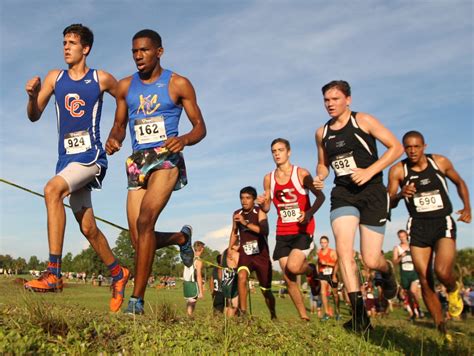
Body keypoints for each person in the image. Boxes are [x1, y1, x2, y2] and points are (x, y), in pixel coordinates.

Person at [23, 24, 129, 312]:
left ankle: (54, 273)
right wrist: (32, 97)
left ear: (86, 49)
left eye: (71, 42)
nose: (66, 47)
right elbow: (34, 115)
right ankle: (118, 273)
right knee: (88, 227)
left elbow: (126, 99)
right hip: (67, 160)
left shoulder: (101, 78)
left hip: (91, 156)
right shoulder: (55, 78)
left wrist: (116, 134)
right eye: (64, 42)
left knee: (51, 190)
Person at [105, 29, 206, 314]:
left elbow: (200, 126)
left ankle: (136, 301)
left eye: (144, 50)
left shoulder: (178, 83)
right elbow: (119, 125)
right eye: (135, 51)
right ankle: (180, 238)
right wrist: (114, 139)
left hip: (166, 157)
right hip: (138, 160)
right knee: (139, 238)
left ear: (159, 51)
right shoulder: (125, 87)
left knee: (146, 220)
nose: (138, 56)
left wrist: (184, 139)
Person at [313, 80, 402, 332]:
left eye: (335, 99)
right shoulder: (322, 133)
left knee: (372, 259)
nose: (330, 104)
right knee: (344, 251)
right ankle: (360, 318)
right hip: (343, 194)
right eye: (326, 100)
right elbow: (323, 163)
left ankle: (387, 272)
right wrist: (320, 175)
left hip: (372, 191)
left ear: (348, 99)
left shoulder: (363, 120)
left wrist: (370, 170)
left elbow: (396, 148)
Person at [388, 130, 471, 339]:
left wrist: (467, 207)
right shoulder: (398, 170)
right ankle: (442, 329)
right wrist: (400, 194)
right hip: (417, 226)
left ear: (424, 146)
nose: (413, 151)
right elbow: (389, 200)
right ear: (404, 148)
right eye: (408, 147)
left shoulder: (440, 162)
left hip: (442, 222)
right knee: (425, 279)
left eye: (417, 146)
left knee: (442, 271)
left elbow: (459, 182)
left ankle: (453, 289)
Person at [257, 138, 325, 321]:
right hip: (283, 231)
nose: (277, 154)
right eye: (274, 151)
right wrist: (262, 204)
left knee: (294, 267)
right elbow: (267, 208)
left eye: (280, 150)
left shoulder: (301, 173)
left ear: (289, 152)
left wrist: (309, 213)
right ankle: (304, 317)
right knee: (288, 276)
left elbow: (320, 196)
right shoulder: (268, 178)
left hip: (303, 229)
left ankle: (311, 270)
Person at [229, 186, 276, 319]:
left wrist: (246, 223)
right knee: (242, 276)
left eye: (248, 198)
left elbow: (264, 230)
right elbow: (234, 232)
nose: (244, 201)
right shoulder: (237, 213)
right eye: (242, 198)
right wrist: (229, 248)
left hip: (261, 255)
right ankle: (243, 313)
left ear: (254, 200)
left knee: (266, 291)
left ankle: (273, 314)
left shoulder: (260, 211)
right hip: (246, 255)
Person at [392, 229, 422, 320]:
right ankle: (413, 313)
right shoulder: (397, 248)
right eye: (400, 237)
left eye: (403, 236)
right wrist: (401, 256)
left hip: (414, 273)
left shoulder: (412, 246)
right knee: (409, 295)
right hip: (405, 274)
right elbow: (394, 262)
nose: (402, 238)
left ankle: (419, 309)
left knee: (413, 292)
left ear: (407, 236)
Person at [317, 236, 341, 320]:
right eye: (321, 242)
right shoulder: (319, 252)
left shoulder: (332, 252)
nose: (323, 244)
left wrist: (326, 263)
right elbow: (318, 262)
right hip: (323, 273)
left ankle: (337, 312)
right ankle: (326, 313)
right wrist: (318, 271)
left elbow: (337, 264)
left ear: (328, 243)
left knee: (335, 295)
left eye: (325, 242)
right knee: (323, 293)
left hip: (332, 274)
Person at [183, 241, 205, 317]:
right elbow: (199, 276)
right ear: (201, 249)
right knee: (192, 305)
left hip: (186, 284)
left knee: (189, 303)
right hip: (192, 284)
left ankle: (188, 319)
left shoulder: (188, 258)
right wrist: (201, 291)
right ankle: (188, 321)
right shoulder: (198, 261)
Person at [221, 245, 239, 317]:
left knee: (227, 305)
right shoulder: (235, 253)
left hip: (224, 282)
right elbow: (240, 267)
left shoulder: (224, 253)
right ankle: (229, 324)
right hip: (232, 283)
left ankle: (224, 323)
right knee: (233, 306)